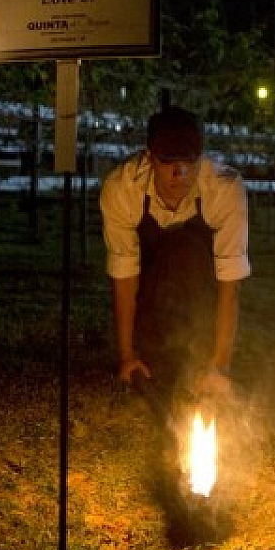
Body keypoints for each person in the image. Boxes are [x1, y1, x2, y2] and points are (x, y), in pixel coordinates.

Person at [99, 105, 250, 403]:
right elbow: (124, 275)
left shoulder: (224, 190)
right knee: (157, 352)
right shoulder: (122, 188)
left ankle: (205, 354)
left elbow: (230, 283)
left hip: (201, 277)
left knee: (188, 256)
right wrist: (127, 355)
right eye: (168, 160)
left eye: (188, 161)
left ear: (200, 156)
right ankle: (152, 348)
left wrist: (220, 365)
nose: (179, 172)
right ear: (150, 155)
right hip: (151, 275)